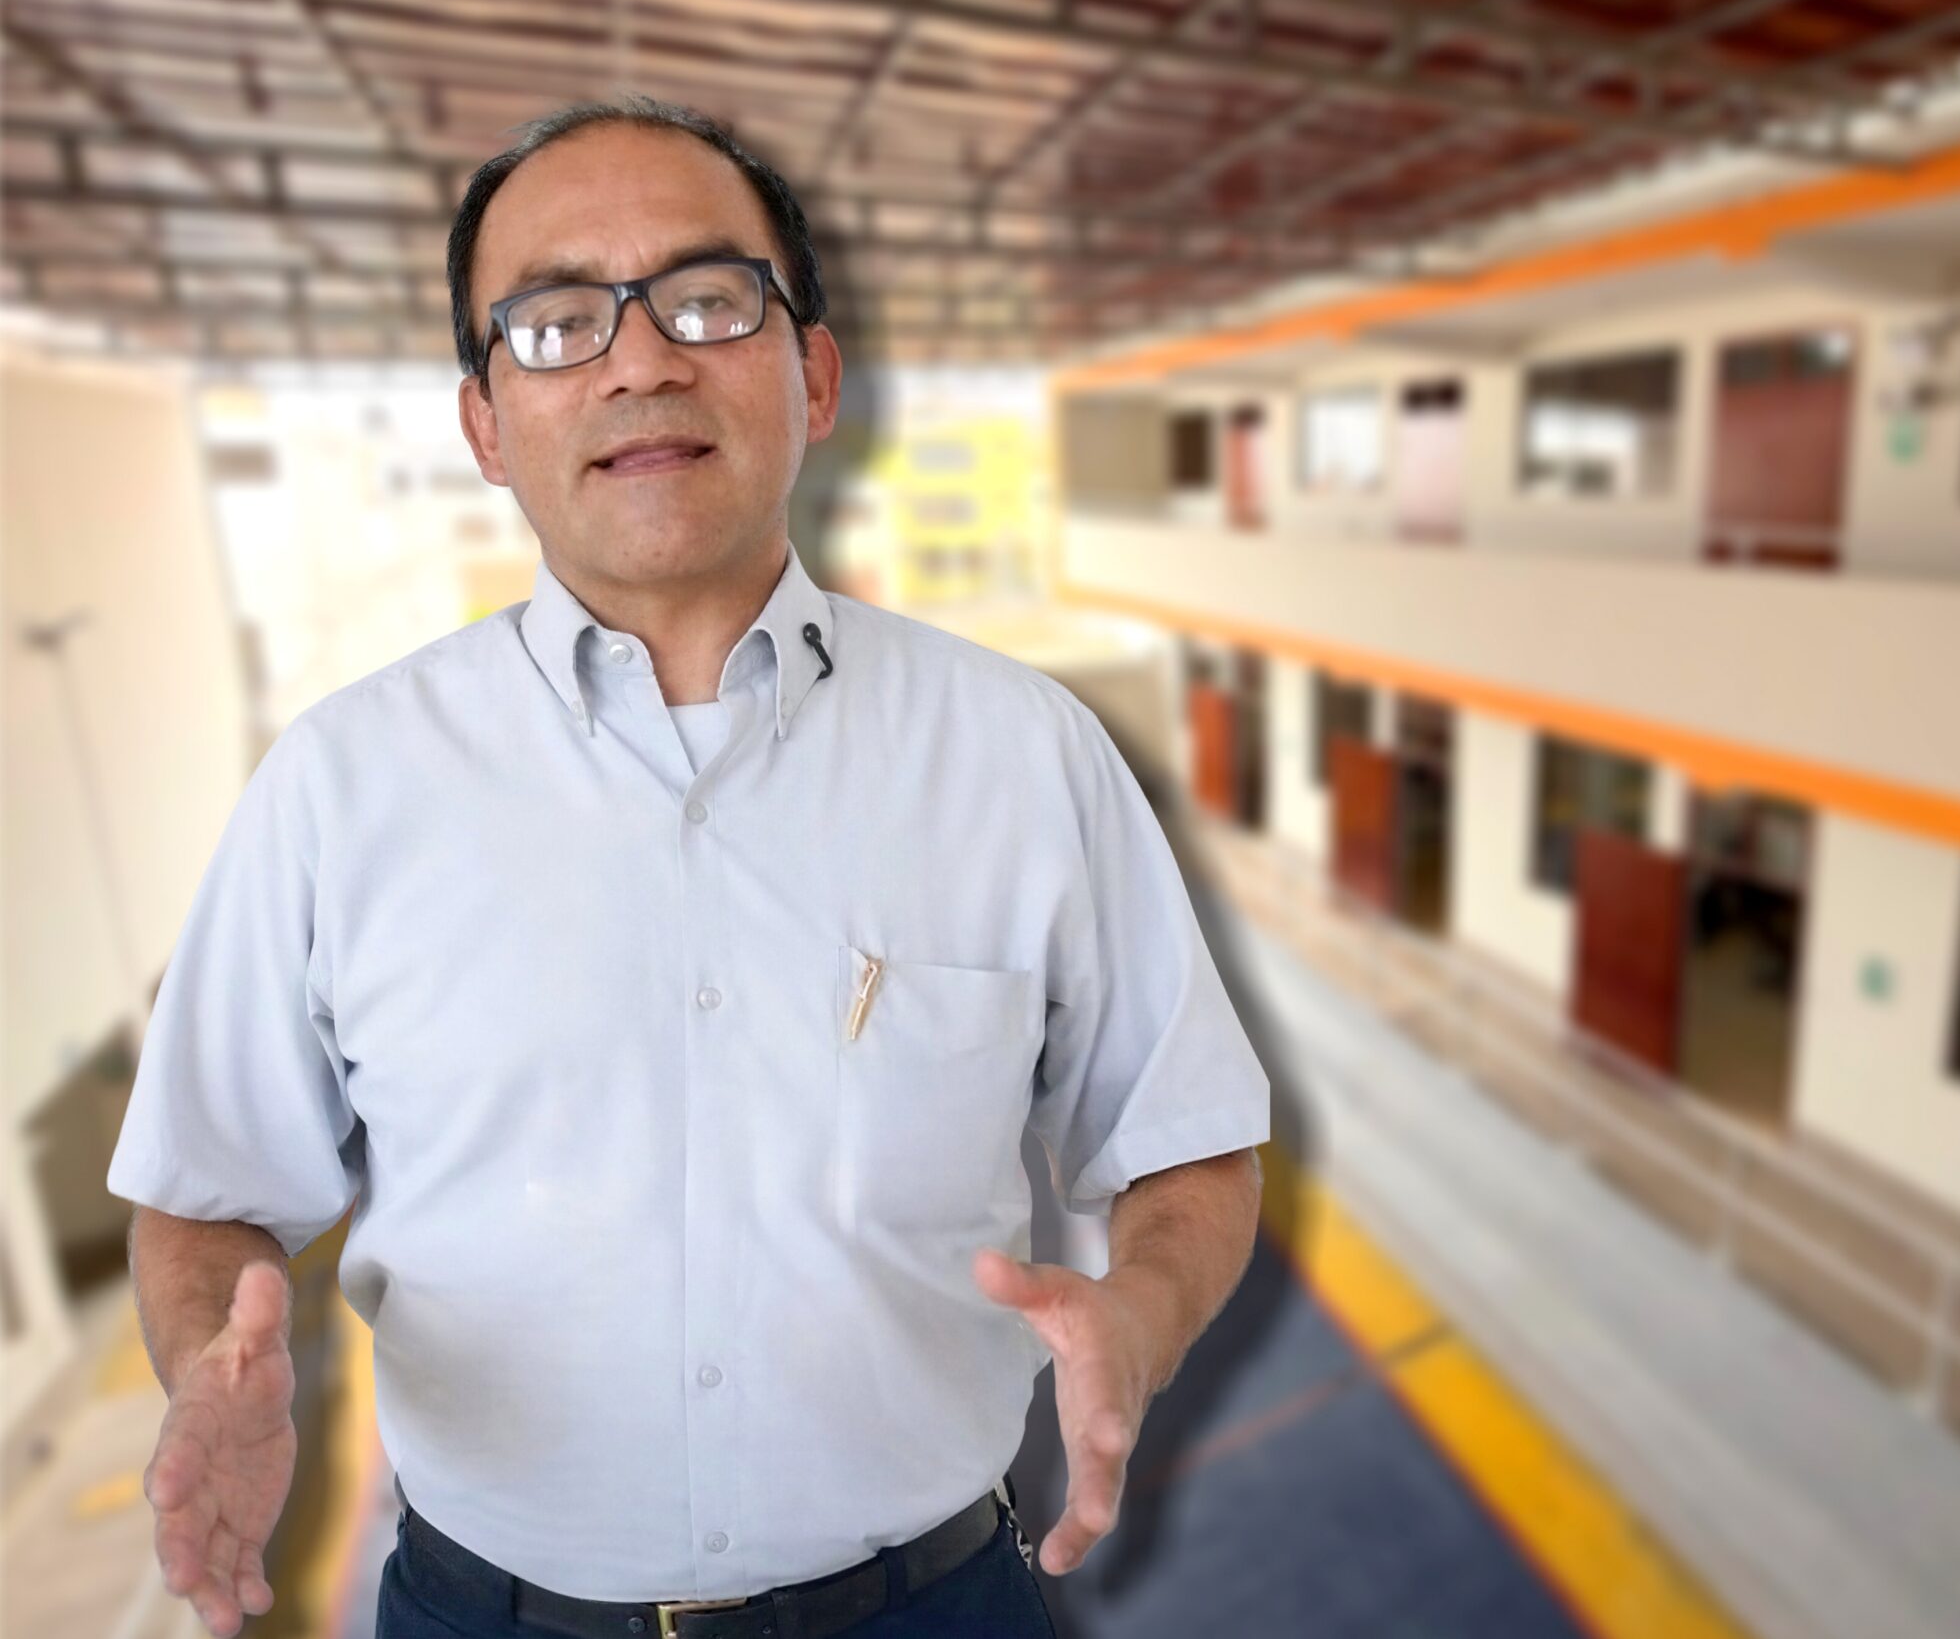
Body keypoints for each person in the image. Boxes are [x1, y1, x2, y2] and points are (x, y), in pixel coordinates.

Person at [106, 95, 1270, 1639]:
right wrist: (210, 1365)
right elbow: (203, 1197)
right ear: (483, 425)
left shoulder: (1023, 753)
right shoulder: (338, 789)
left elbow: (1186, 1143)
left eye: (709, 300)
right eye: (554, 325)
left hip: (933, 1606)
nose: (640, 361)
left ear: (817, 374)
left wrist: (1145, 1309)